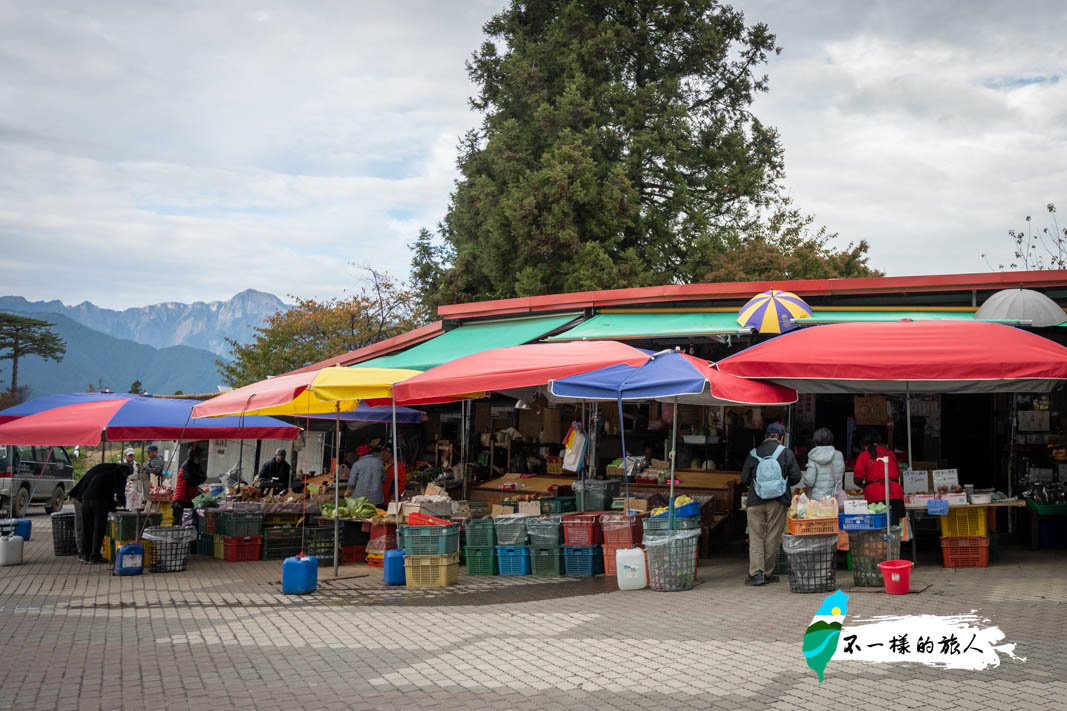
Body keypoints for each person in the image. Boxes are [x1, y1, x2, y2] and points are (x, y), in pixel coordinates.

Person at [741, 422, 802, 586]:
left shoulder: (753, 453)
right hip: (778, 500)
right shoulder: (786, 453)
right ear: (782, 438)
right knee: (773, 537)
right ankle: (768, 573)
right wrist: (783, 481)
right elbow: (796, 477)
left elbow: (744, 479)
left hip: (755, 500)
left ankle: (756, 574)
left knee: (756, 537)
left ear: (766, 436)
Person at [73, 462, 131, 563]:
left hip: (85, 500)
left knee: (87, 528)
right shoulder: (119, 476)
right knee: (98, 529)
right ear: (125, 473)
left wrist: (113, 506)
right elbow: (120, 495)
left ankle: (84, 555)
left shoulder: (106, 472)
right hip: (98, 502)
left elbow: (107, 492)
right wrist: (125, 506)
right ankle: (94, 556)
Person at [853, 429, 905, 523]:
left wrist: (865, 486)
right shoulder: (890, 453)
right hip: (895, 494)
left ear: (862, 444)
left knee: (877, 529)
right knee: (894, 528)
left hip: (875, 496)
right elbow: (897, 475)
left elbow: (857, 479)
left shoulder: (863, 455)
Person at [803, 428, 845, 500]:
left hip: (817, 501)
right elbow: (840, 475)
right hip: (834, 499)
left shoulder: (813, 456)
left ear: (816, 442)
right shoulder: (839, 455)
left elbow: (809, 482)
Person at [172, 447, 207, 528]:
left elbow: (204, 476)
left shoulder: (195, 465)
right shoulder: (187, 465)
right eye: (199, 456)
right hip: (181, 500)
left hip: (189, 499)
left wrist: (200, 477)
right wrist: (199, 478)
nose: (201, 458)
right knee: (179, 523)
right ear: (194, 456)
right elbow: (192, 480)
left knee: (188, 523)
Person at [124, 447, 151, 511]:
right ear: (125, 456)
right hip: (125, 483)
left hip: (135, 484)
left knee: (135, 500)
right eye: (129, 455)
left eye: (132, 455)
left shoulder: (137, 464)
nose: (131, 456)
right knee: (126, 500)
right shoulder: (121, 463)